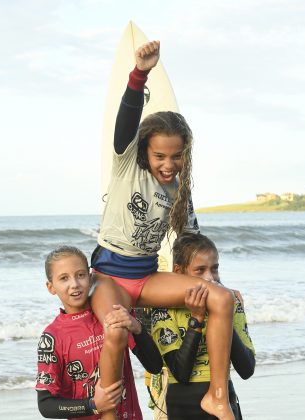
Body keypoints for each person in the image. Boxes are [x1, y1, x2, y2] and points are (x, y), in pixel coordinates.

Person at [92, 40, 236, 420]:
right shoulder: (127, 166)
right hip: (109, 278)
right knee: (117, 330)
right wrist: (140, 74)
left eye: (176, 156)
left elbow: (192, 246)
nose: (168, 164)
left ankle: (217, 397)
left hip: (148, 277)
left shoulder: (180, 191)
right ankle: (108, 415)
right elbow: (126, 120)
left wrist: (215, 284)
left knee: (222, 300)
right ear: (145, 152)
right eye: (160, 156)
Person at [36, 245, 162, 419]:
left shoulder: (111, 313)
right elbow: (45, 405)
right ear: (51, 287)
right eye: (64, 278)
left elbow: (155, 366)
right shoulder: (53, 336)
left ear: (90, 276)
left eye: (80, 275)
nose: (74, 284)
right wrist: (93, 405)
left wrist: (137, 328)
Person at [151, 232, 255, 419]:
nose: (210, 277)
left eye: (214, 269)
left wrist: (222, 316)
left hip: (224, 405)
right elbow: (180, 373)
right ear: (178, 271)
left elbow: (246, 369)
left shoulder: (230, 301)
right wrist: (196, 320)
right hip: (183, 407)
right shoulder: (163, 309)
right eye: (200, 270)